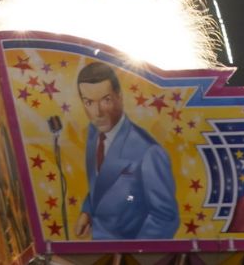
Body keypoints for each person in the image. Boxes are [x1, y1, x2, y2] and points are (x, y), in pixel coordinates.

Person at [73, 60, 179, 240]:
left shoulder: (149, 152)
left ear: (119, 96)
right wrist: (88, 211)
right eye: (88, 102)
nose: (97, 113)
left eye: (106, 100)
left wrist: (131, 256)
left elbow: (165, 218)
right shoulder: (94, 134)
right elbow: (102, 184)